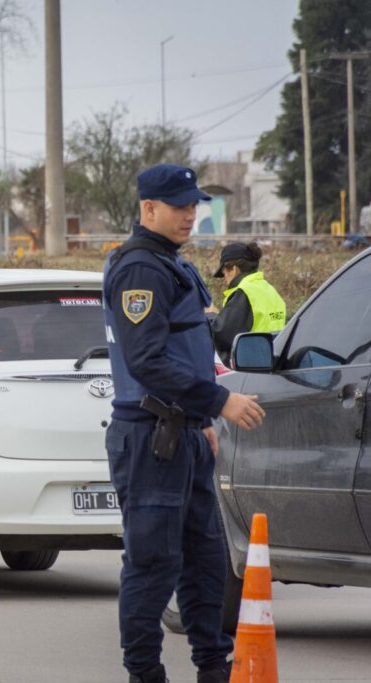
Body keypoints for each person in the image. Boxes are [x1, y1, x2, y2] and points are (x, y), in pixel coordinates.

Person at [102, 164, 266, 683]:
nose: (190, 214)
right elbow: (146, 359)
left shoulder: (172, 264)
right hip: (152, 439)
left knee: (205, 563)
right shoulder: (140, 270)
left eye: (194, 204)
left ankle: (213, 669)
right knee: (154, 565)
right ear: (148, 208)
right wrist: (219, 401)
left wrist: (200, 419)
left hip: (184, 434)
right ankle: (145, 674)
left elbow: (186, 348)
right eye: (179, 205)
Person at [209, 242, 286, 365]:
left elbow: (222, 335)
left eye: (224, 273)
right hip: (270, 363)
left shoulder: (244, 293)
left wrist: (211, 315)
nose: (225, 279)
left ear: (234, 269)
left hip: (248, 367)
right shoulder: (269, 290)